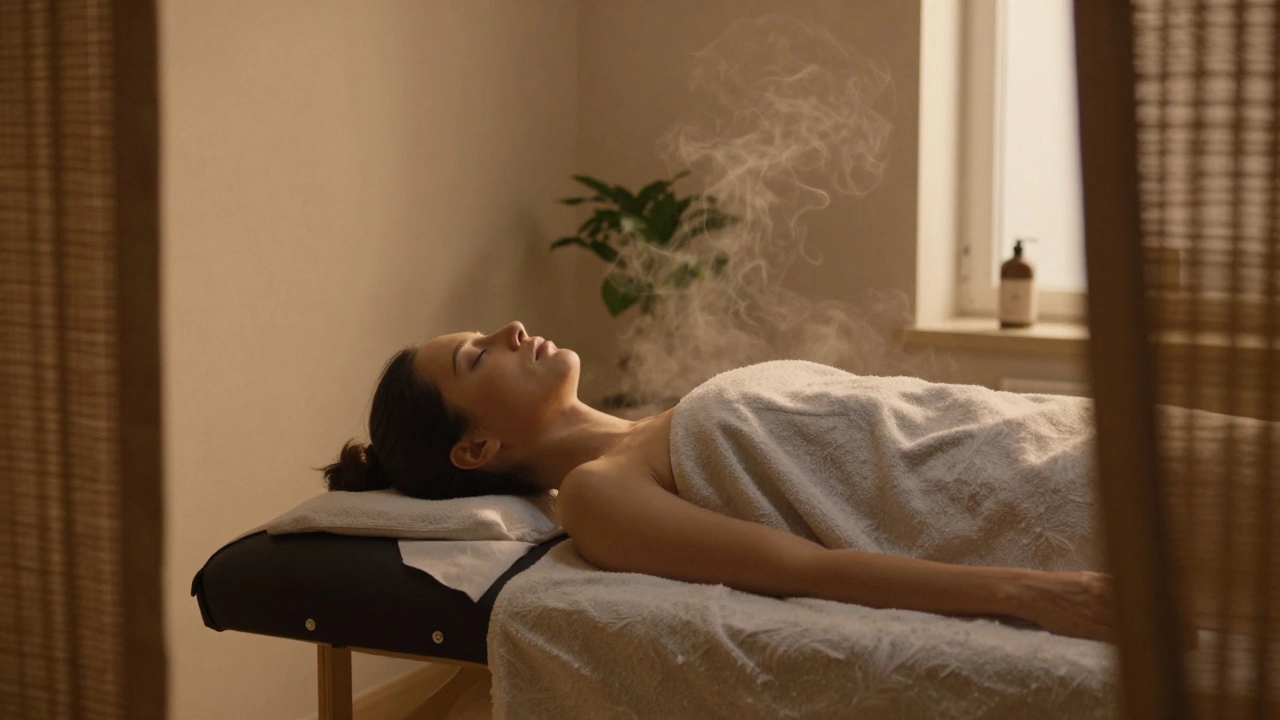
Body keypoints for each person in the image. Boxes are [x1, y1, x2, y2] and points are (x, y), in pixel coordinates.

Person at [324, 320, 1116, 643]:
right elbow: (804, 570)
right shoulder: (598, 494)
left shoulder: (653, 423)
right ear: (477, 448)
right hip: (1012, 493)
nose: (512, 331)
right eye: (476, 357)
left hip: (1024, 433)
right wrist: (1033, 595)